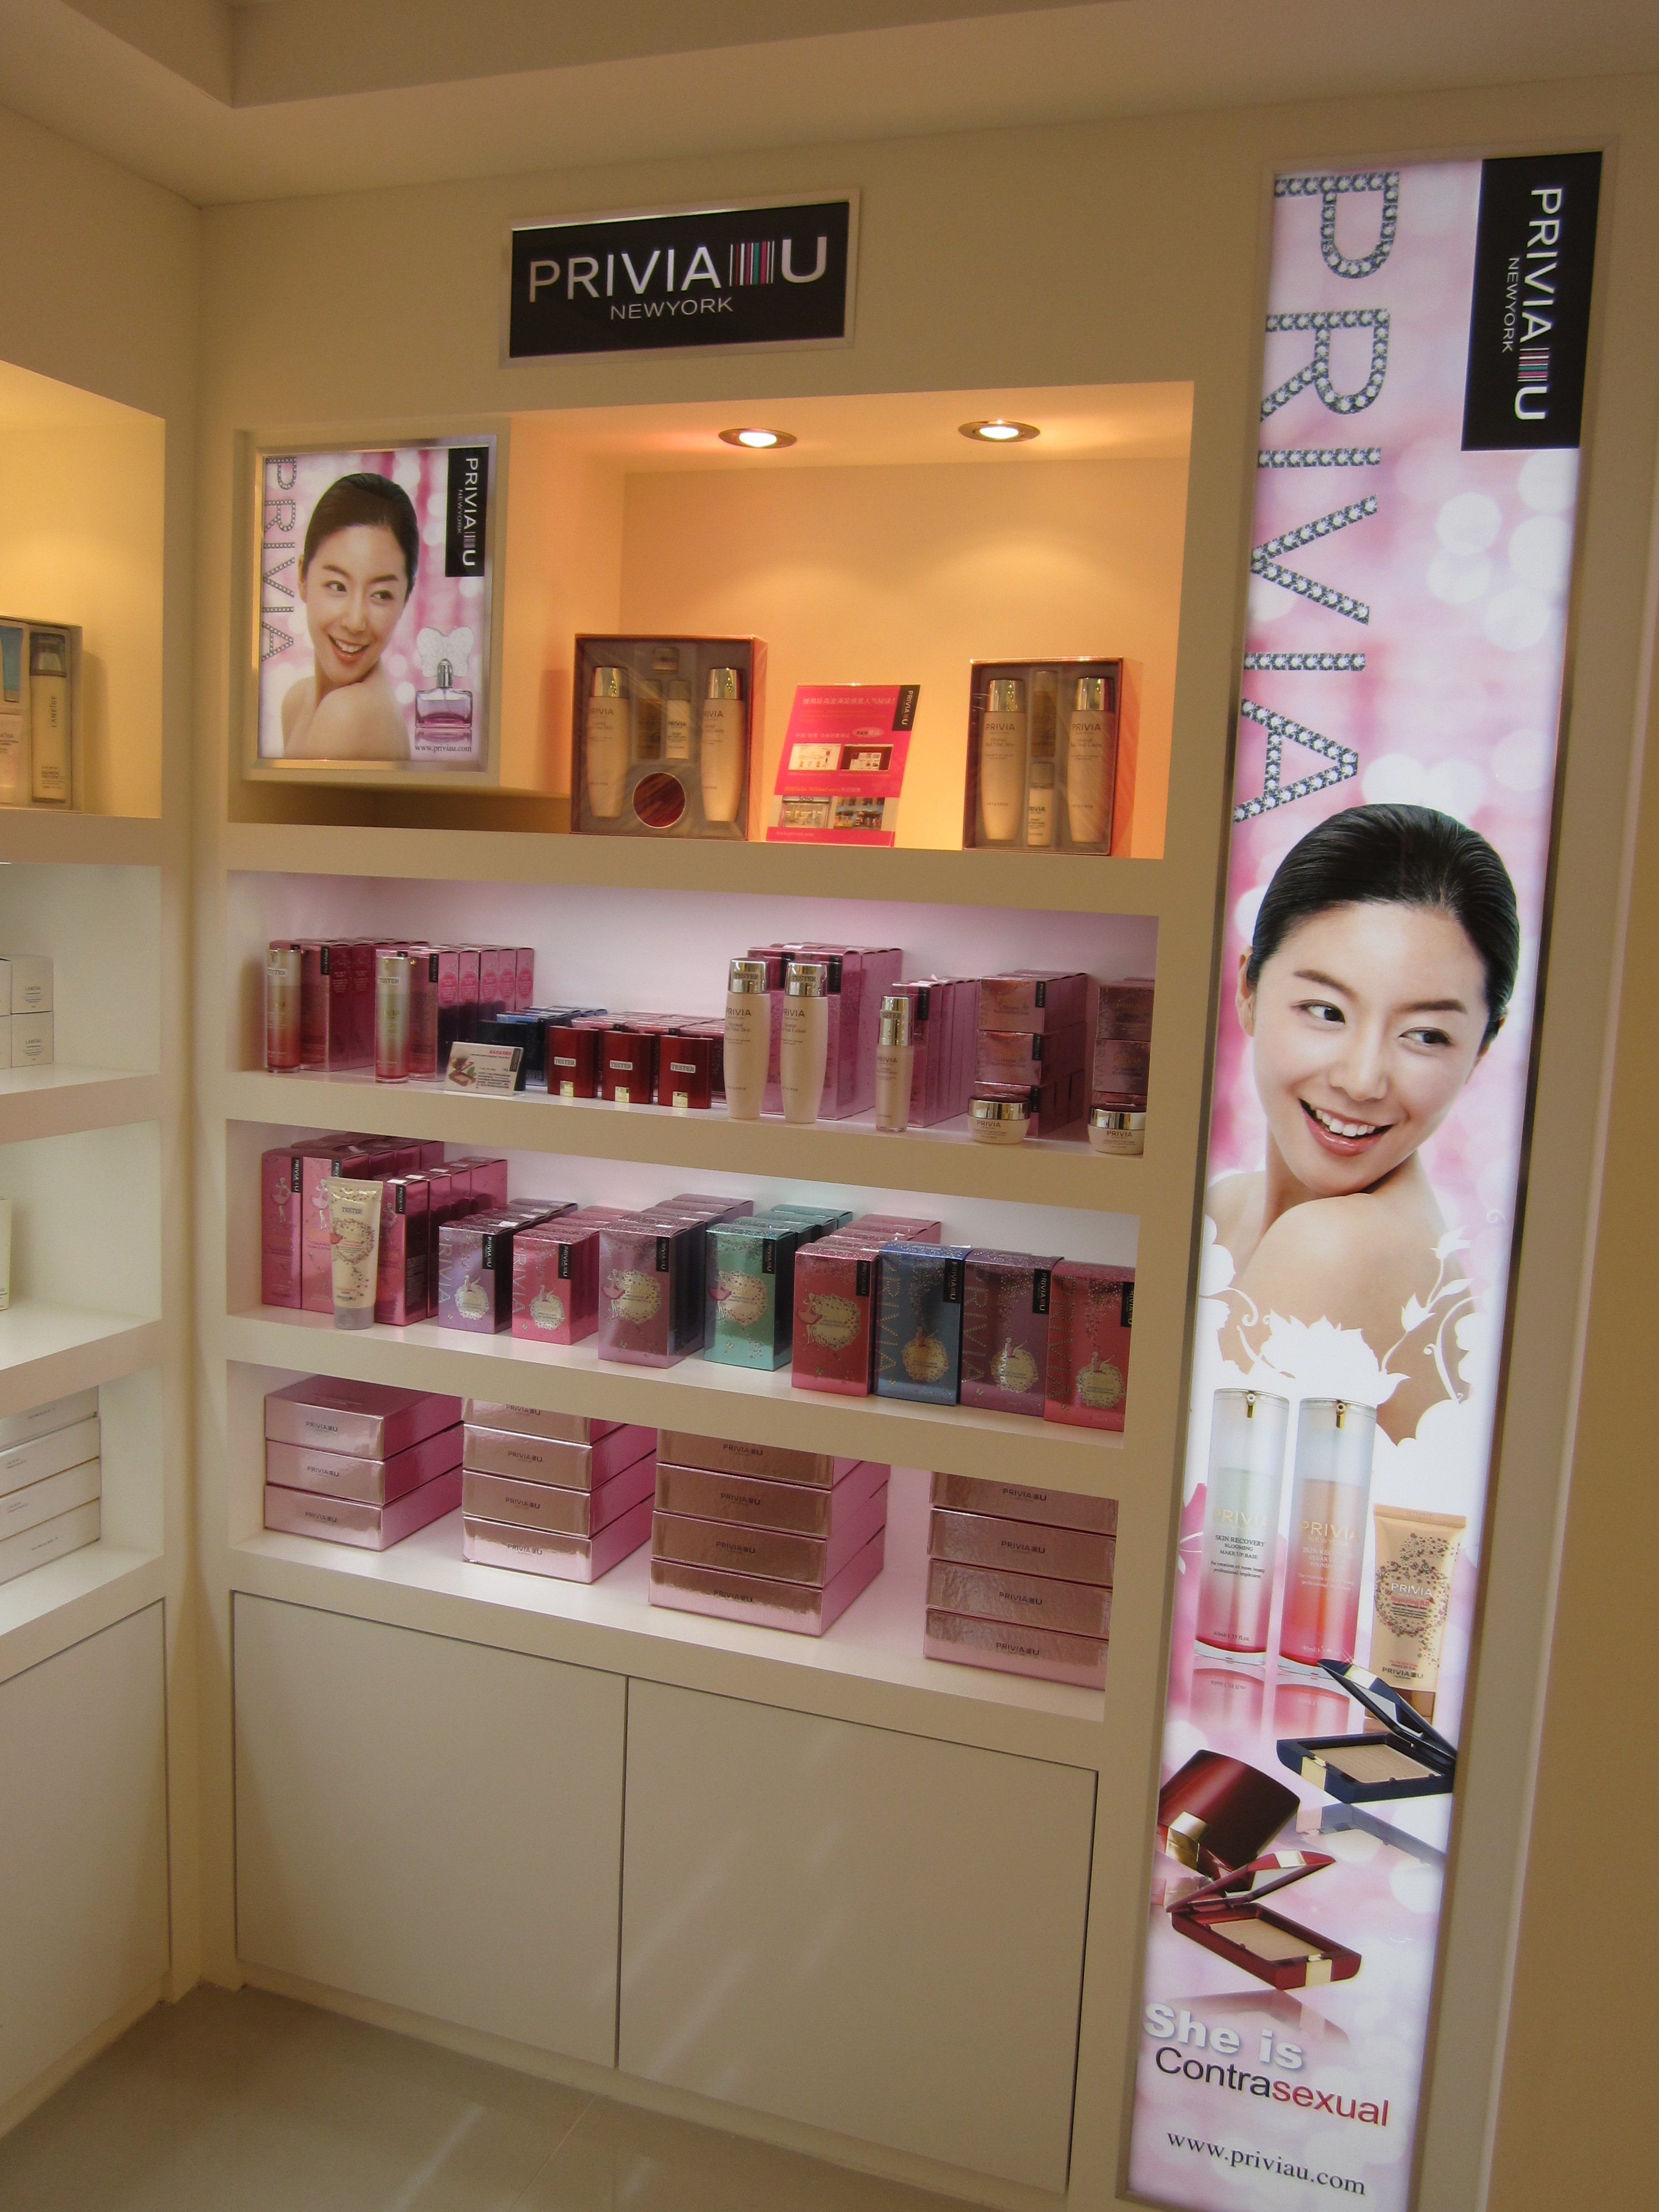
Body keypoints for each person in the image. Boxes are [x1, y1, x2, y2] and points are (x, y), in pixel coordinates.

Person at [1209, 802, 1520, 1442]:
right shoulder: (1224, 1207)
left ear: (1482, 1049)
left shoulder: (1335, 1246)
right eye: (1327, 1011)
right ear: (1249, 989)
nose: (1361, 1080)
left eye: (1425, 1035)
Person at [280, 472, 419, 760]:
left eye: (381, 595)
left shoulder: (350, 713)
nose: (356, 622)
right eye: (337, 587)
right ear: (303, 577)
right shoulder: (297, 702)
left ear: (406, 597)